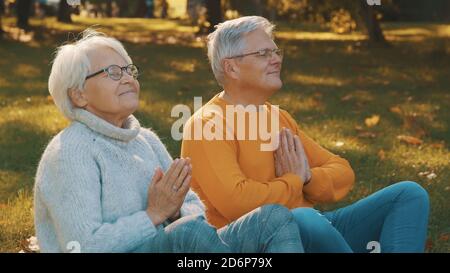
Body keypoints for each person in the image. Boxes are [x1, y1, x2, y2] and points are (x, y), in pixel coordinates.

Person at [34, 29, 303, 253]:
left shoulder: (146, 140)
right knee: (189, 233)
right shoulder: (69, 152)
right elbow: (82, 246)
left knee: (272, 218)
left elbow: (195, 207)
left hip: (177, 245)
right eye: (113, 72)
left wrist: (173, 213)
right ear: (78, 95)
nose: (128, 78)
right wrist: (154, 215)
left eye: (129, 70)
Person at [181, 16, 430, 253]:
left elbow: (342, 171)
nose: (276, 59)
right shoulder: (208, 125)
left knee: (409, 194)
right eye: (263, 53)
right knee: (302, 217)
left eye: (276, 51)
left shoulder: (278, 116)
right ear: (232, 67)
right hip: (260, 242)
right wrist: (293, 181)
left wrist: (308, 178)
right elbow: (237, 202)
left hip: (315, 226)